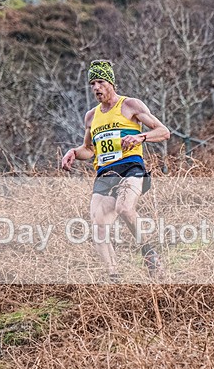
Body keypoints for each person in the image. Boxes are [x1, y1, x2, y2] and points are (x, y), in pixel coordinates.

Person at [61, 59, 170, 281]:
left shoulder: (130, 105)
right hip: (105, 173)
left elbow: (163, 131)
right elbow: (89, 150)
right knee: (98, 224)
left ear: (111, 82)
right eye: (92, 84)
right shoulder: (91, 116)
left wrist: (141, 136)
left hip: (131, 167)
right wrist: (73, 152)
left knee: (124, 207)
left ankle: (150, 254)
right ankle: (114, 277)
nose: (96, 88)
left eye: (100, 82)